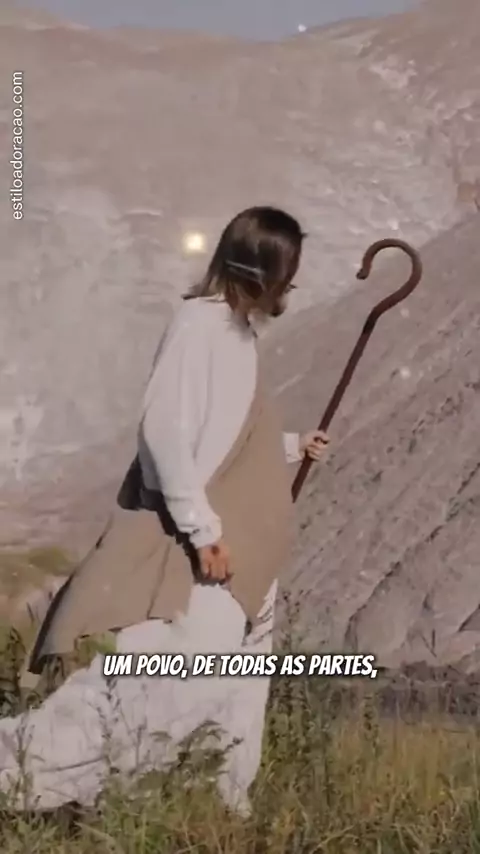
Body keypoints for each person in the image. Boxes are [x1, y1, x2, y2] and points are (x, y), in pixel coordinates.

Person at [0, 206, 329, 815]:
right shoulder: (199, 326)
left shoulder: (238, 335)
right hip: (202, 551)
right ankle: (17, 775)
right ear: (262, 271)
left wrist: (290, 446)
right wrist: (203, 532)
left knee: (233, 694)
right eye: (288, 271)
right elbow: (165, 436)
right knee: (155, 694)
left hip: (245, 556)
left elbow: (222, 437)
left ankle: (221, 815)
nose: (292, 284)